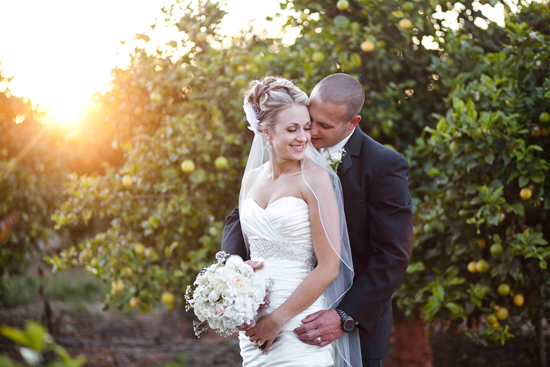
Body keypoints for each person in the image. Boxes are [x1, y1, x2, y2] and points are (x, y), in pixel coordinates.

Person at [223, 73, 413, 367]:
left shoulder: (383, 165)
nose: (308, 134)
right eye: (308, 121)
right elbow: (239, 218)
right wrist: (234, 272)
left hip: (350, 323)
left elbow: (393, 254)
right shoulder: (266, 166)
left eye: (321, 126)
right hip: (267, 312)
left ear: (352, 123)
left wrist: (343, 316)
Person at [231, 75, 361, 367]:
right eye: (292, 129)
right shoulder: (251, 179)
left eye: (306, 127)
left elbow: (329, 266)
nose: (304, 137)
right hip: (254, 322)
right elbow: (248, 248)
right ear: (266, 132)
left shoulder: (315, 179)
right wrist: (234, 279)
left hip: (298, 322)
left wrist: (277, 319)